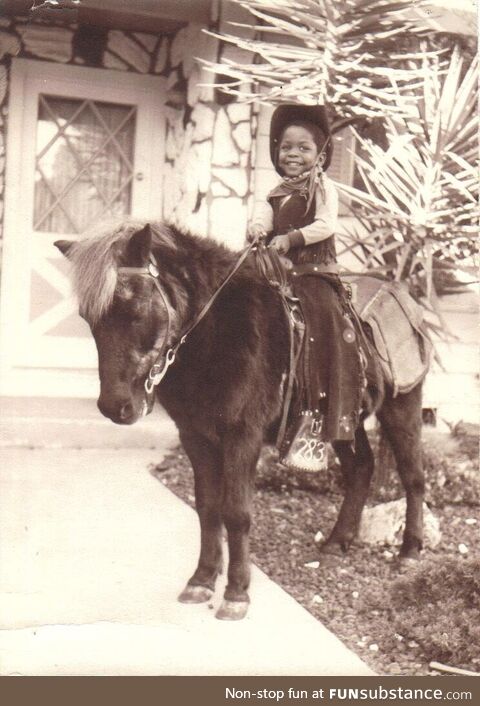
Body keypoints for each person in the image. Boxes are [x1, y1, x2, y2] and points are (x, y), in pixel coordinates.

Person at [248, 104, 363, 443]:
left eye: (303, 147)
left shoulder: (325, 188)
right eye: (286, 147)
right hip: (278, 273)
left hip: (313, 273)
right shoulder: (274, 192)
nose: (293, 154)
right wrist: (257, 230)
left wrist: (292, 238)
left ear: (319, 154)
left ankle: (319, 411)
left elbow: (326, 225)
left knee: (320, 318)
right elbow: (262, 218)